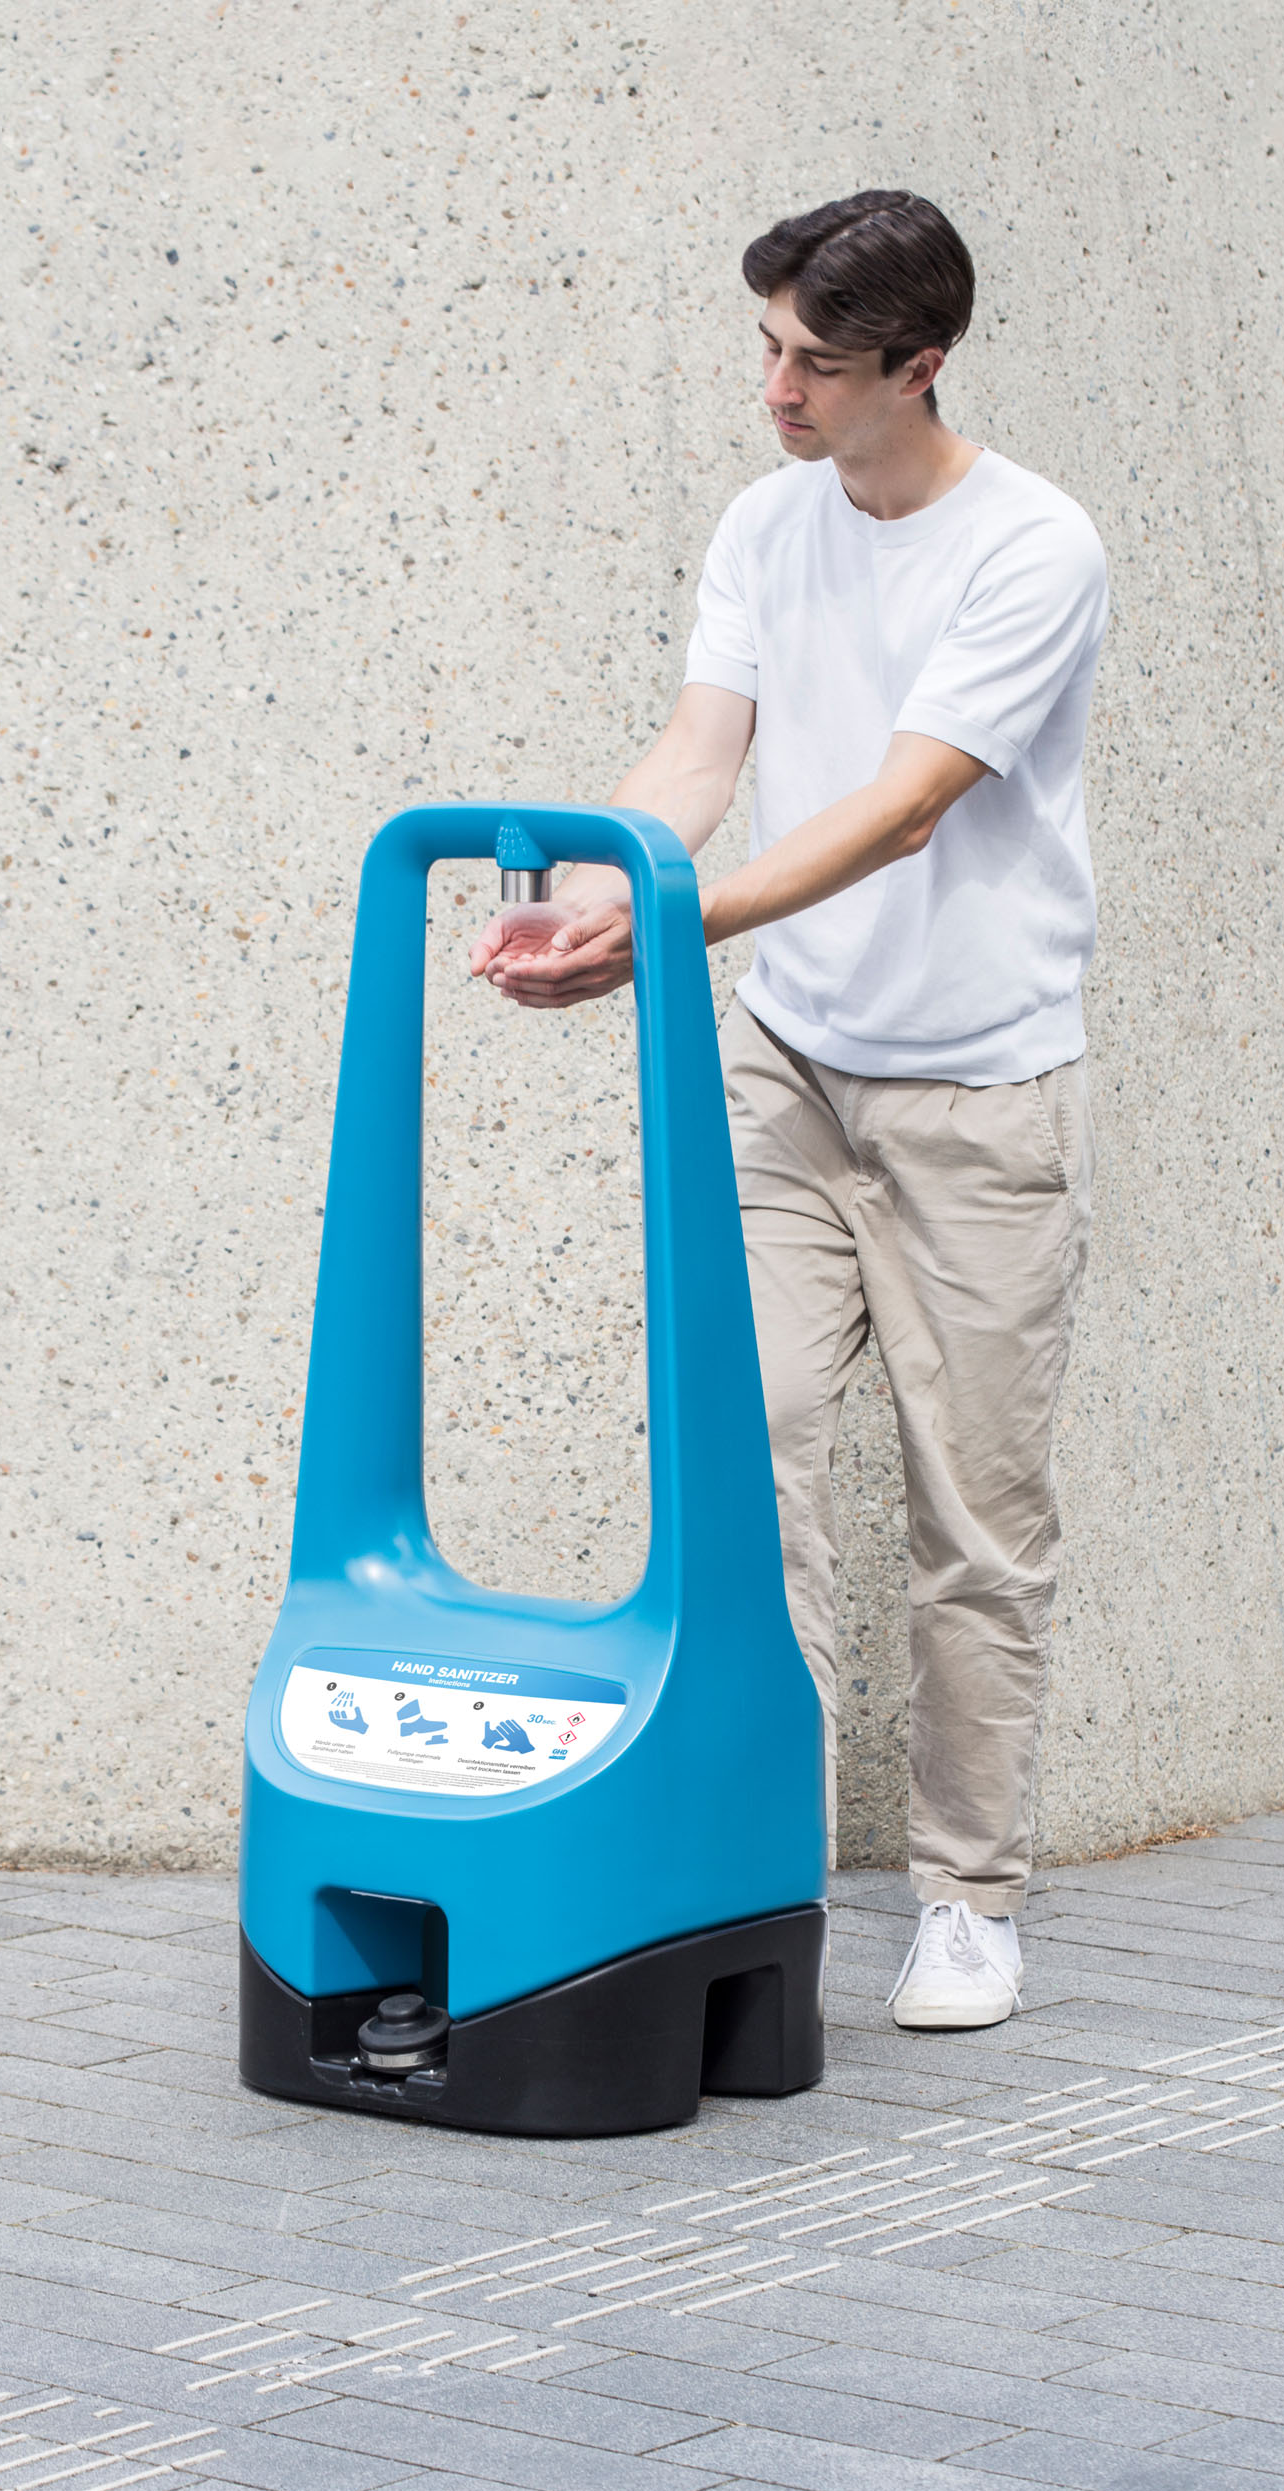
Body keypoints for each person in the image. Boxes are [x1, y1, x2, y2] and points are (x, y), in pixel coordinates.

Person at [469, 190, 1107, 2031]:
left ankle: (971, 1897)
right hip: (790, 1071)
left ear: (921, 365)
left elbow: (906, 807)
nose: (776, 392)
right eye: (765, 348)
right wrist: (601, 875)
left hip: (980, 1097)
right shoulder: (766, 522)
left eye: (815, 363)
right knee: (749, 1464)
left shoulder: (1033, 549)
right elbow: (703, 753)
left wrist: (670, 923)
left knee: (973, 1520)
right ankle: (774, 1861)